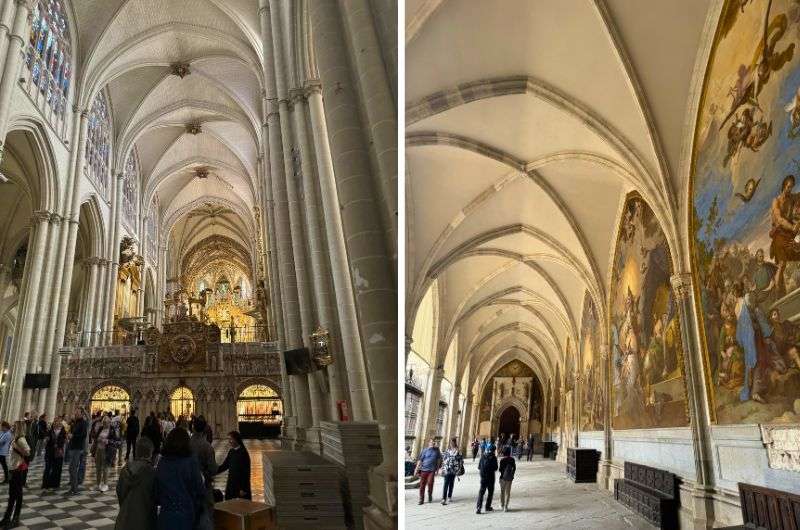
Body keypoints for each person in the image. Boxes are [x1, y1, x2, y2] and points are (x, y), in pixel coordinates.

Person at [156, 428, 205, 529]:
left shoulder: (162, 462)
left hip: (166, 515)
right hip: (185, 514)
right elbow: (199, 489)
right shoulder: (191, 461)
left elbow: (157, 490)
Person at [116, 437, 157, 530]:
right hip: (145, 519)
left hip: (124, 518)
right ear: (150, 454)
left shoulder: (125, 470)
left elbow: (120, 492)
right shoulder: (152, 473)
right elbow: (155, 497)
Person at [0, 421, 30, 528]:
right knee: (12, 495)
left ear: (19, 428)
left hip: (18, 470)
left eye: (14, 426)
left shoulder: (21, 439)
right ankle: (7, 517)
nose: (12, 427)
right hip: (12, 468)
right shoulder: (14, 438)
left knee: (18, 495)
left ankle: (16, 518)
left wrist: (17, 448)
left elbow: (28, 452)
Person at [189, 417, 218, 530]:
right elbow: (213, 469)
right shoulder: (207, 447)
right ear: (205, 429)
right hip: (204, 486)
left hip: (188, 486)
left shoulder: (186, 444)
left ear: (193, 427)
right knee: (206, 514)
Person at [217, 431, 251, 500]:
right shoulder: (231, 451)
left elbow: (246, 472)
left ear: (236, 439)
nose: (229, 441)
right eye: (228, 439)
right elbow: (225, 465)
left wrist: (243, 488)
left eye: (231, 439)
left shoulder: (243, 453)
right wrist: (214, 470)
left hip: (240, 485)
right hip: (231, 483)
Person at [66, 407, 88, 495]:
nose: (76, 413)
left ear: (82, 413)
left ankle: (74, 489)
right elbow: (72, 432)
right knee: (71, 468)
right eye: (76, 412)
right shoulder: (75, 422)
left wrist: (73, 436)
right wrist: (69, 435)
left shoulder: (83, 423)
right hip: (72, 446)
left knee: (73, 468)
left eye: (78, 412)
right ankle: (72, 487)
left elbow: (83, 435)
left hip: (78, 448)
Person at [413, 439, 441, 505]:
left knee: (430, 483)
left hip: (432, 470)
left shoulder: (437, 450)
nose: (433, 443)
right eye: (431, 442)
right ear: (429, 443)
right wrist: (416, 469)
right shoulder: (424, 450)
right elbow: (420, 460)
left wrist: (437, 469)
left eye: (434, 442)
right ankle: (421, 498)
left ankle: (430, 495)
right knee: (422, 484)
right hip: (424, 469)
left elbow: (438, 460)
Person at [42, 417, 66, 491]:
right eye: (55, 421)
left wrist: (58, 444)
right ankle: (45, 484)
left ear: (60, 423)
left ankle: (55, 484)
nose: (56, 423)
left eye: (58, 422)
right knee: (48, 468)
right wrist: (46, 440)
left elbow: (63, 440)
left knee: (57, 468)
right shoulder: (50, 430)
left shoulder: (63, 431)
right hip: (50, 451)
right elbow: (46, 438)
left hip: (58, 452)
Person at [92, 416, 113, 492]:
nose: (105, 424)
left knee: (105, 468)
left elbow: (116, 441)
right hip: (98, 449)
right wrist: (98, 439)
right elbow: (96, 437)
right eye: (104, 422)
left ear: (109, 423)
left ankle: (105, 484)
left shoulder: (112, 430)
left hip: (106, 451)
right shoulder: (101, 429)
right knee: (98, 467)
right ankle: (98, 484)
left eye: (106, 422)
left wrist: (107, 441)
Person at [475, 443, 498, 514]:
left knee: (481, 492)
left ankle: (479, 507)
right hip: (491, 477)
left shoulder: (483, 456)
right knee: (490, 492)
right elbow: (496, 468)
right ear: (494, 450)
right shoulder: (493, 457)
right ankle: (487, 506)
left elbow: (479, 467)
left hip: (483, 477)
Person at [440, 438, 462, 505]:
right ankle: (444, 498)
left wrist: (459, 469)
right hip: (447, 468)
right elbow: (444, 459)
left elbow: (460, 461)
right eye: (451, 443)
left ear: (455, 443)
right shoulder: (447, 450)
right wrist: (442, 468)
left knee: (451, 483)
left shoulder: (458, 451)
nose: (451, 444)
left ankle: (449, 496)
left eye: (452, 443)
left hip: (454, 469)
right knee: (446, 483)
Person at [498, 446, 517, 512]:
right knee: (508, 492)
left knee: (502, 492)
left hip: (502, 478)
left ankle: (502, 505)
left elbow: (500, 469)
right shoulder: (512, 459)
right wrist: (511, 474)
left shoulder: (502, 460)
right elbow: (514, 468)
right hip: (509, 478)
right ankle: (506, 506)